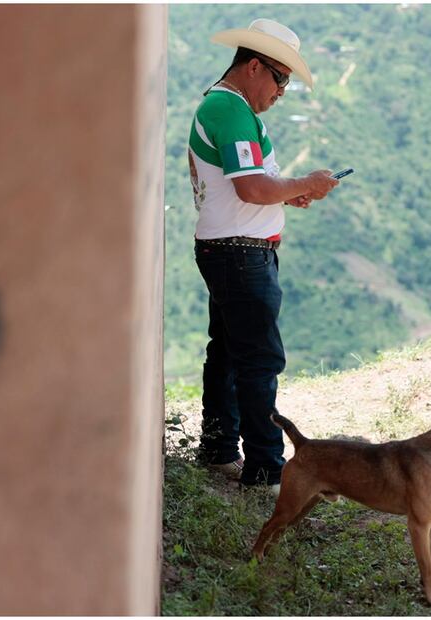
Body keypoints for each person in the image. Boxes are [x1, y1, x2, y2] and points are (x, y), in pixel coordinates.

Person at [187, 18, 339, 492]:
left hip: (228, 248)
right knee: (260, 360)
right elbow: (252, 188)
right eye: (280, 78)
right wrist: (304, 183)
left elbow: (250, 185)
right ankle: (266, 471)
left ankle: (218, 449)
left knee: (230, 352)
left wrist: (286, 193)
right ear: (254, 67)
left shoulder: (226, 106)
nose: (281, 92)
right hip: (240, 253)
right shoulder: (230, 110)